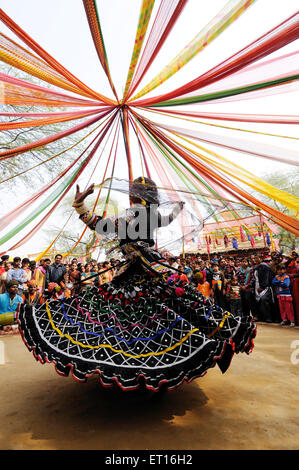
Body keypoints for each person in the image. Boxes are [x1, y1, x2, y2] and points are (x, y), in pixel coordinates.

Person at [18, 177, 256, 391]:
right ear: (152, 196)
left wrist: (80, 205)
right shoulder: (152, 215)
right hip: (150, 266)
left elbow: (96, 224)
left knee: (114, 314)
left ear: (132, 195)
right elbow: (168, 217)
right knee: (177, 303)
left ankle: (126, 363)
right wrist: (178, 206)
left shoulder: (125, 216)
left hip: (131, 269)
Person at [251, 254, 274, 323]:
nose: (255, 260)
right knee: (256, 301)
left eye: (257, 258)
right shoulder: (256, 267)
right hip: (257, 286)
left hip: (265, 287)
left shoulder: (264, 266)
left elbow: (266, 277)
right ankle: (261, 316)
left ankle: (268, 317)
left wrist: (262, 287)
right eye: (254, 258)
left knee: (264, 300)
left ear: (261, 259)